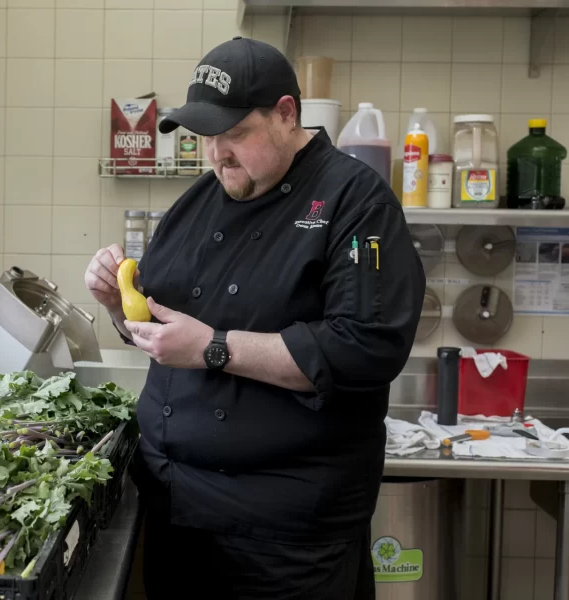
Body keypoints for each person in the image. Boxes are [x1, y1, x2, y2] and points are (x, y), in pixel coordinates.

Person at [84, 37, 425, 599]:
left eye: (235, 133)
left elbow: (366, 347)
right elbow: (163, 327)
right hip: (177, 516)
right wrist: (117, 305)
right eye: (206, 136)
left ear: (287, 114)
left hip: (287, 544)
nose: (217, 153)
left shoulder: (356, 200)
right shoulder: (199, 199)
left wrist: (214, 348)